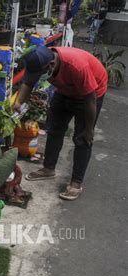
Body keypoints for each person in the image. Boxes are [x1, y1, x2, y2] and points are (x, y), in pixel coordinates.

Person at [14, 46, 108, 200]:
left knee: (82, 138)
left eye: (40, 74)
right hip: (65, 91)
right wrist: (17, 102)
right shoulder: (40, 62)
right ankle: (48, 169)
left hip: (90, 94)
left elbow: (90, 99)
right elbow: (28, 83)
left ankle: (76, 183)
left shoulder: (77, 67)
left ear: (51, 65)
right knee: (54, 128)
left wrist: (89, 129)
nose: (39, 77)